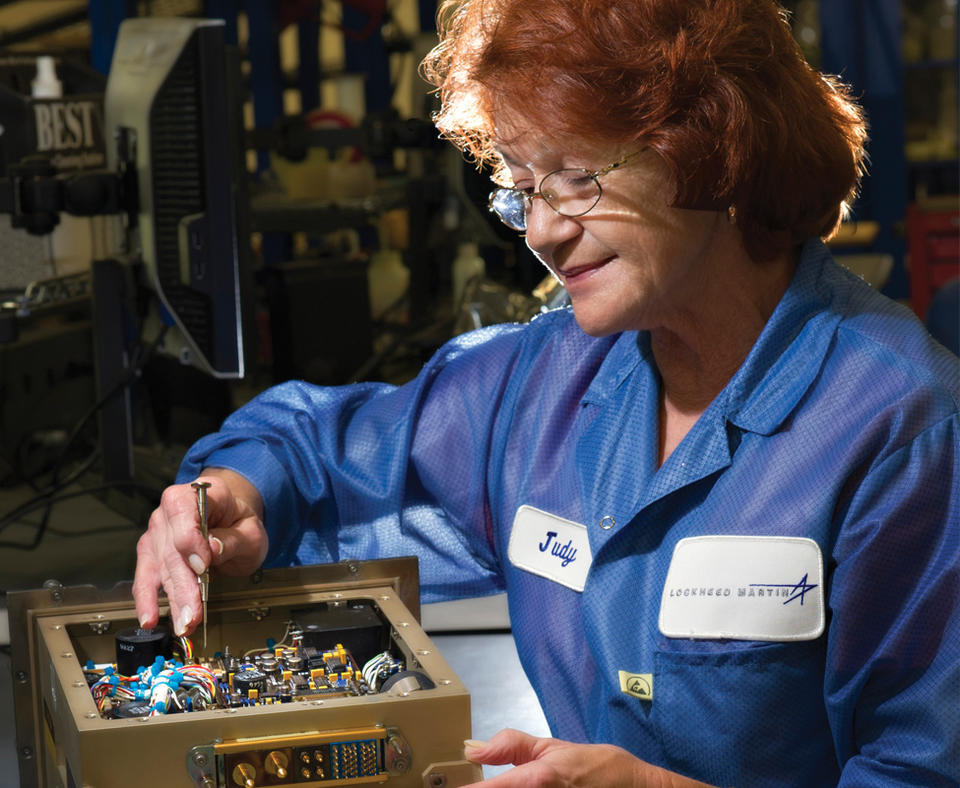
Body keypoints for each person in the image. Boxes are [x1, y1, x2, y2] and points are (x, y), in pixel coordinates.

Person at [133, 1, 960, 785]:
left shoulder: (899, 425)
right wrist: (231, 493)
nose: (541, 232)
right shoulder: (541, 384)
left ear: (713, 144)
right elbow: (316, 447)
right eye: (523, 186)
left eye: (576, 178)